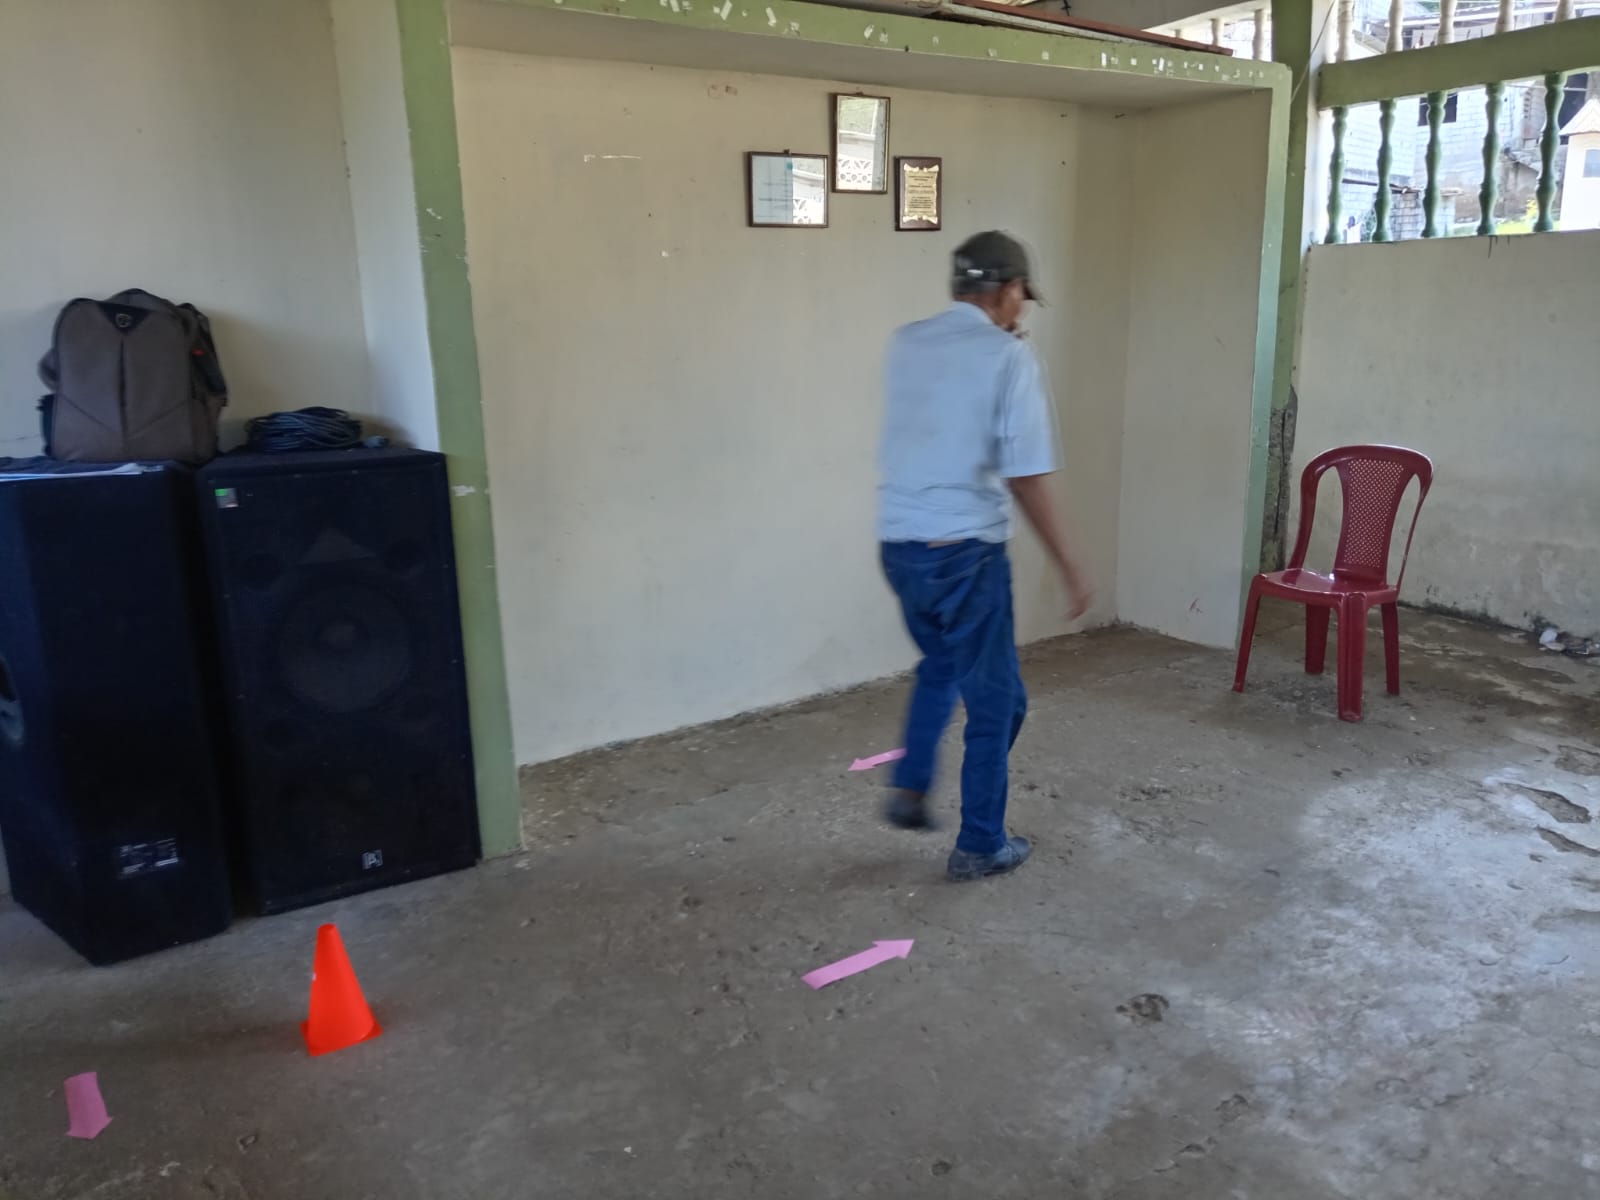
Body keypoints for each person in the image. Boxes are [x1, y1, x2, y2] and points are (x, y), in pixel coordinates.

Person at [876, 230, 1094, 882]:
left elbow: (945, 404)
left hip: (900, 546)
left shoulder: (907, 342)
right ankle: (981, 843)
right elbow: (1026, 476)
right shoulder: (1009, 358)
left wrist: (1001, 349)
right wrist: (1069, 563)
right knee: (999, 705)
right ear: (1009, 289)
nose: (1023, 308)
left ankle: (911, 783)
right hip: (965, 556)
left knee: (942, 665)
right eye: (1023, 295)